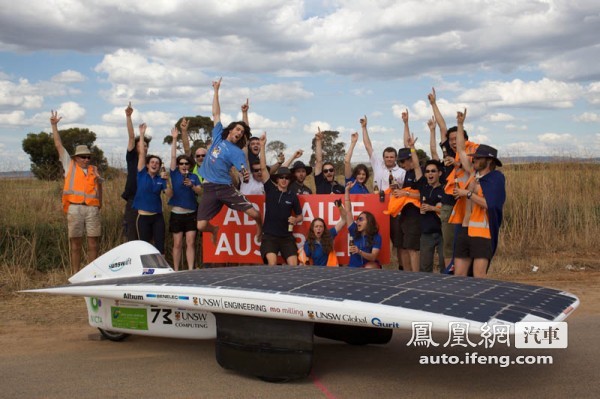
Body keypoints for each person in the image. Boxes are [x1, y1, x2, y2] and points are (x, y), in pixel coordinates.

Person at [196, 78, 263, 245]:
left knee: (255, 214)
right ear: (231, 129)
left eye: (242, 132)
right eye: (238, 129)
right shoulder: (218, 135)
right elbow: (216, 113)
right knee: (201, 225)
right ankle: (214, 229)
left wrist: (244, 174)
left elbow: (243, 170)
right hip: (210, 188)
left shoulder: (238, 152)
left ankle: (260, 229)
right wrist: (216, 91)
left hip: (225, 187)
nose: (239, 133)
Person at [452, 109, 506, 278]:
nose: (473, 160)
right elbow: (461, 150)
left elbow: (491, 205)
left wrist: (467, 194)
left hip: (482, 233)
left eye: (478, 158)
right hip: (465, 230)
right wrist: (460, 124)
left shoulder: (496, 178)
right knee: (459, 275)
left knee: (478, 277)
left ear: (489, 161)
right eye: (473, 158)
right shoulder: (472, 173)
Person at [50, 110, 102, 275]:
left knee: (93, 243)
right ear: (76, 158)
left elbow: (99, 189)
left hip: (93, 209)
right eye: (83, 157)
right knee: (75, 243)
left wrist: (99, 204)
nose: (86, 159)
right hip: (74, 209)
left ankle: (91, 275)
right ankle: (75, 274)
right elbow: (59, 145)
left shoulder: (94, 169)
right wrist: (54, 126)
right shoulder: (69, 165)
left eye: (88, 157)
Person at [361, 114, 406, 267]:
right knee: (377, 238)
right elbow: (368, 146)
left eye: (392, 157)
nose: (389, 159)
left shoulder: (402, 172)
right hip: (378, 207)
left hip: (395, 211)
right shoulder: (378, 165)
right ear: (383, 157)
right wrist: (364, 127)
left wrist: (398, 188)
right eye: (386, 157)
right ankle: (378, 265)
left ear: (396, 158)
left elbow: (405, 191)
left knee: (398, 241)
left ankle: (401, 266)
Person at [258, 133, 303, 265]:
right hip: (269, 237)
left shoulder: (292, 196)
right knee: (272, 265)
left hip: (286, 237)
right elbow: (263, 168)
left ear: (289, 180)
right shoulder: (270, 190)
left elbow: (300, 216)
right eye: (281, 177)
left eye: (287, 178)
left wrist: (295, 219)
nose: (284, 180)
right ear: (277, 179)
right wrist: (262, 145)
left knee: (293, 266)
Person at [407, 134, 445, 273]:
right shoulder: (423, 185)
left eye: (433, 171)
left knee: (444, 265)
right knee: (425, 267)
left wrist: (432, 208)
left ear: (439, 173)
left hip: (442, 233)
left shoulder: (445, 189)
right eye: (427, 171)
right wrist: (412, 148)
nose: (430, 174)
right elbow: (416, 165)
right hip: (426, 233)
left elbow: (448, 211)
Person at [166, 127, 202, 270]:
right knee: (177, 243)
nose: (184, 165)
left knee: (191, 242)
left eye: (186, 163)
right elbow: (173, 157)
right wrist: (175, 139)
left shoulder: (193, 177)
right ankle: (176, 270)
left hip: (191, 214)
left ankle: (191, 269)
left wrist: (192, 186)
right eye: (181, 163)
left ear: (190, 165)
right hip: (176, 214)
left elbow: (200, 192)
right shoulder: (174, 174)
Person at [393, 109, 422, 272]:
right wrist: (405, 123)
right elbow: (406, 145)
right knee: (404, 247)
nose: (401, 165)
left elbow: (422, 195)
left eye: (403, 162)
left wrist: (405, 194)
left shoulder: (419, 172)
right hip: (405, 216)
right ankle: (408, 274)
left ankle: (415, 277)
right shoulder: (407, 173)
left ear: (410, 159)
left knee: (412, 248)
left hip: (415, 217)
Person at [133, 123, 168, 254]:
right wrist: (141, 134)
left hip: (157, 217)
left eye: (157, 163)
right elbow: (142, 153)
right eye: (152, 162)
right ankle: (146, 272)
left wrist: (167, 181)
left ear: (159, 167)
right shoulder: (142, 174)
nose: (155, 164)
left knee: (160, 245)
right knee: (144, 247)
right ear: (147, 165)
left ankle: (162, 271)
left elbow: (169, 194)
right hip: (143, 217)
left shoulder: (161, 179)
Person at [122, 102, 151, 242]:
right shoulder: (132, 158)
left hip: (147, 202)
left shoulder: (152, 163)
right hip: (133, 200)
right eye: (141, 145)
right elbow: (131, 137)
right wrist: (128, 117)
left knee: (145, 236)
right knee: (132, 235)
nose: (143, 147)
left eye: (145, 146)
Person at [344, 182, 382, 268]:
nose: (357, 222)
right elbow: (348, 211)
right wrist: (347, 191)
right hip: (353, 268)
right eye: (357, 220)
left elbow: (373, 257)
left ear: (369, 222)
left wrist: (359, 251)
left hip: (367, 268)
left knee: (370, 266)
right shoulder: (354, 230)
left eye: (361, 219)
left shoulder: (376, 236)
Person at [314, 128, 344, 194]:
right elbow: (319, 161)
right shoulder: (320, 183)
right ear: (323, 174)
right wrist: (318, 141)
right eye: (325, 171)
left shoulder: (341, 188)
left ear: (334, 171)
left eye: (331, 170)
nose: (328, 172)